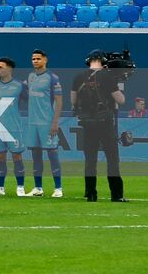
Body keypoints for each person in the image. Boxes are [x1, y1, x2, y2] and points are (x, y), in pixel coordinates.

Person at [71, 50, 127, 202]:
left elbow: (73, 101)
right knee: (112, 159)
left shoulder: (78, 77)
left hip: (88, 123)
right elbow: (120, 100)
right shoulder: (108, 77)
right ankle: (116, 194)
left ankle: (90, 194)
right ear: (103, 61)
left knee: (90, 161)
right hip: (105, 122)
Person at [24, 49, 64, 198]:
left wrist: (55, 122)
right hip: (32, 123)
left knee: (52, 154)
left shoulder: (52, 78)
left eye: (38, 59)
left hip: (47, 122)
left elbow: (59, 101)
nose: (35, 61)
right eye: (33, 59)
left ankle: (58, 188)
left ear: (45, 60)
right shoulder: (30, 77)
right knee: (35, 155)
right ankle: (38, 188)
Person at [0, 57, 28, 197]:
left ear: (9, 69)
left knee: (17, 157)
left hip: (13, 126)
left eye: (1, 67)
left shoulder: (19, 85)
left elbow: (31, 100)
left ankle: (20, 188)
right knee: (0, 157)